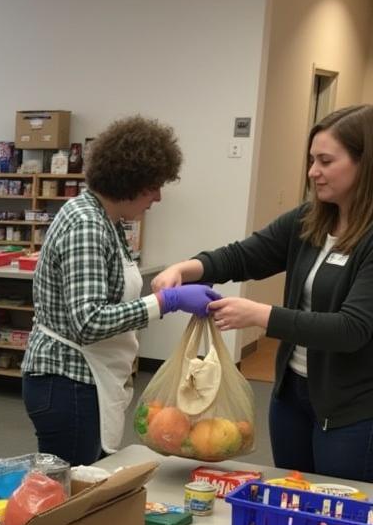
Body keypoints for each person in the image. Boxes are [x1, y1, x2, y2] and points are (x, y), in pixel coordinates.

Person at [154, 104, 373, 481]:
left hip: (350, 410)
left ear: (364, 164)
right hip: (292, 396)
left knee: (338, 518)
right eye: (310, 160)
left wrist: (260, 316)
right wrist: (185, 268)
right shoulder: (311, 219)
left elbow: (350, 329)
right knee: (292, 501)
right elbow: (243, 256)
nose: (312, 172)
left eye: (325, 161)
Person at [20, 116, 219, 465]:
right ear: (128, 180)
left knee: (85, 484)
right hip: (68, 381)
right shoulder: (86, 225)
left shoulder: (106, 220)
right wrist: (165, 302)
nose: (157, 197)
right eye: (152, 186)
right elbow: (89, 322)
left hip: (85, 379)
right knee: (72, 496)